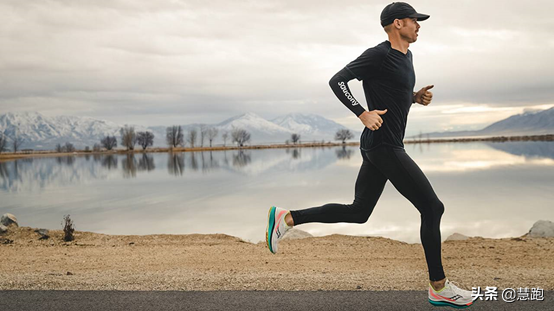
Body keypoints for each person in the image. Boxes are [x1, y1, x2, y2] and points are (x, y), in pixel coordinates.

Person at [266, 2, 477, 309]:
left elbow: (392, 91)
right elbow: (337, 81)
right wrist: (362, 113)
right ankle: (439, 287)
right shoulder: (378, 54)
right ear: (396, 23)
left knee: (359, 212)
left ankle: (287, 218)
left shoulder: (407, 56)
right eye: (414, 20)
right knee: (432, 208)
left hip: (382, 144)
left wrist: (414, 98)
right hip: (383, 145)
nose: (419, 25)